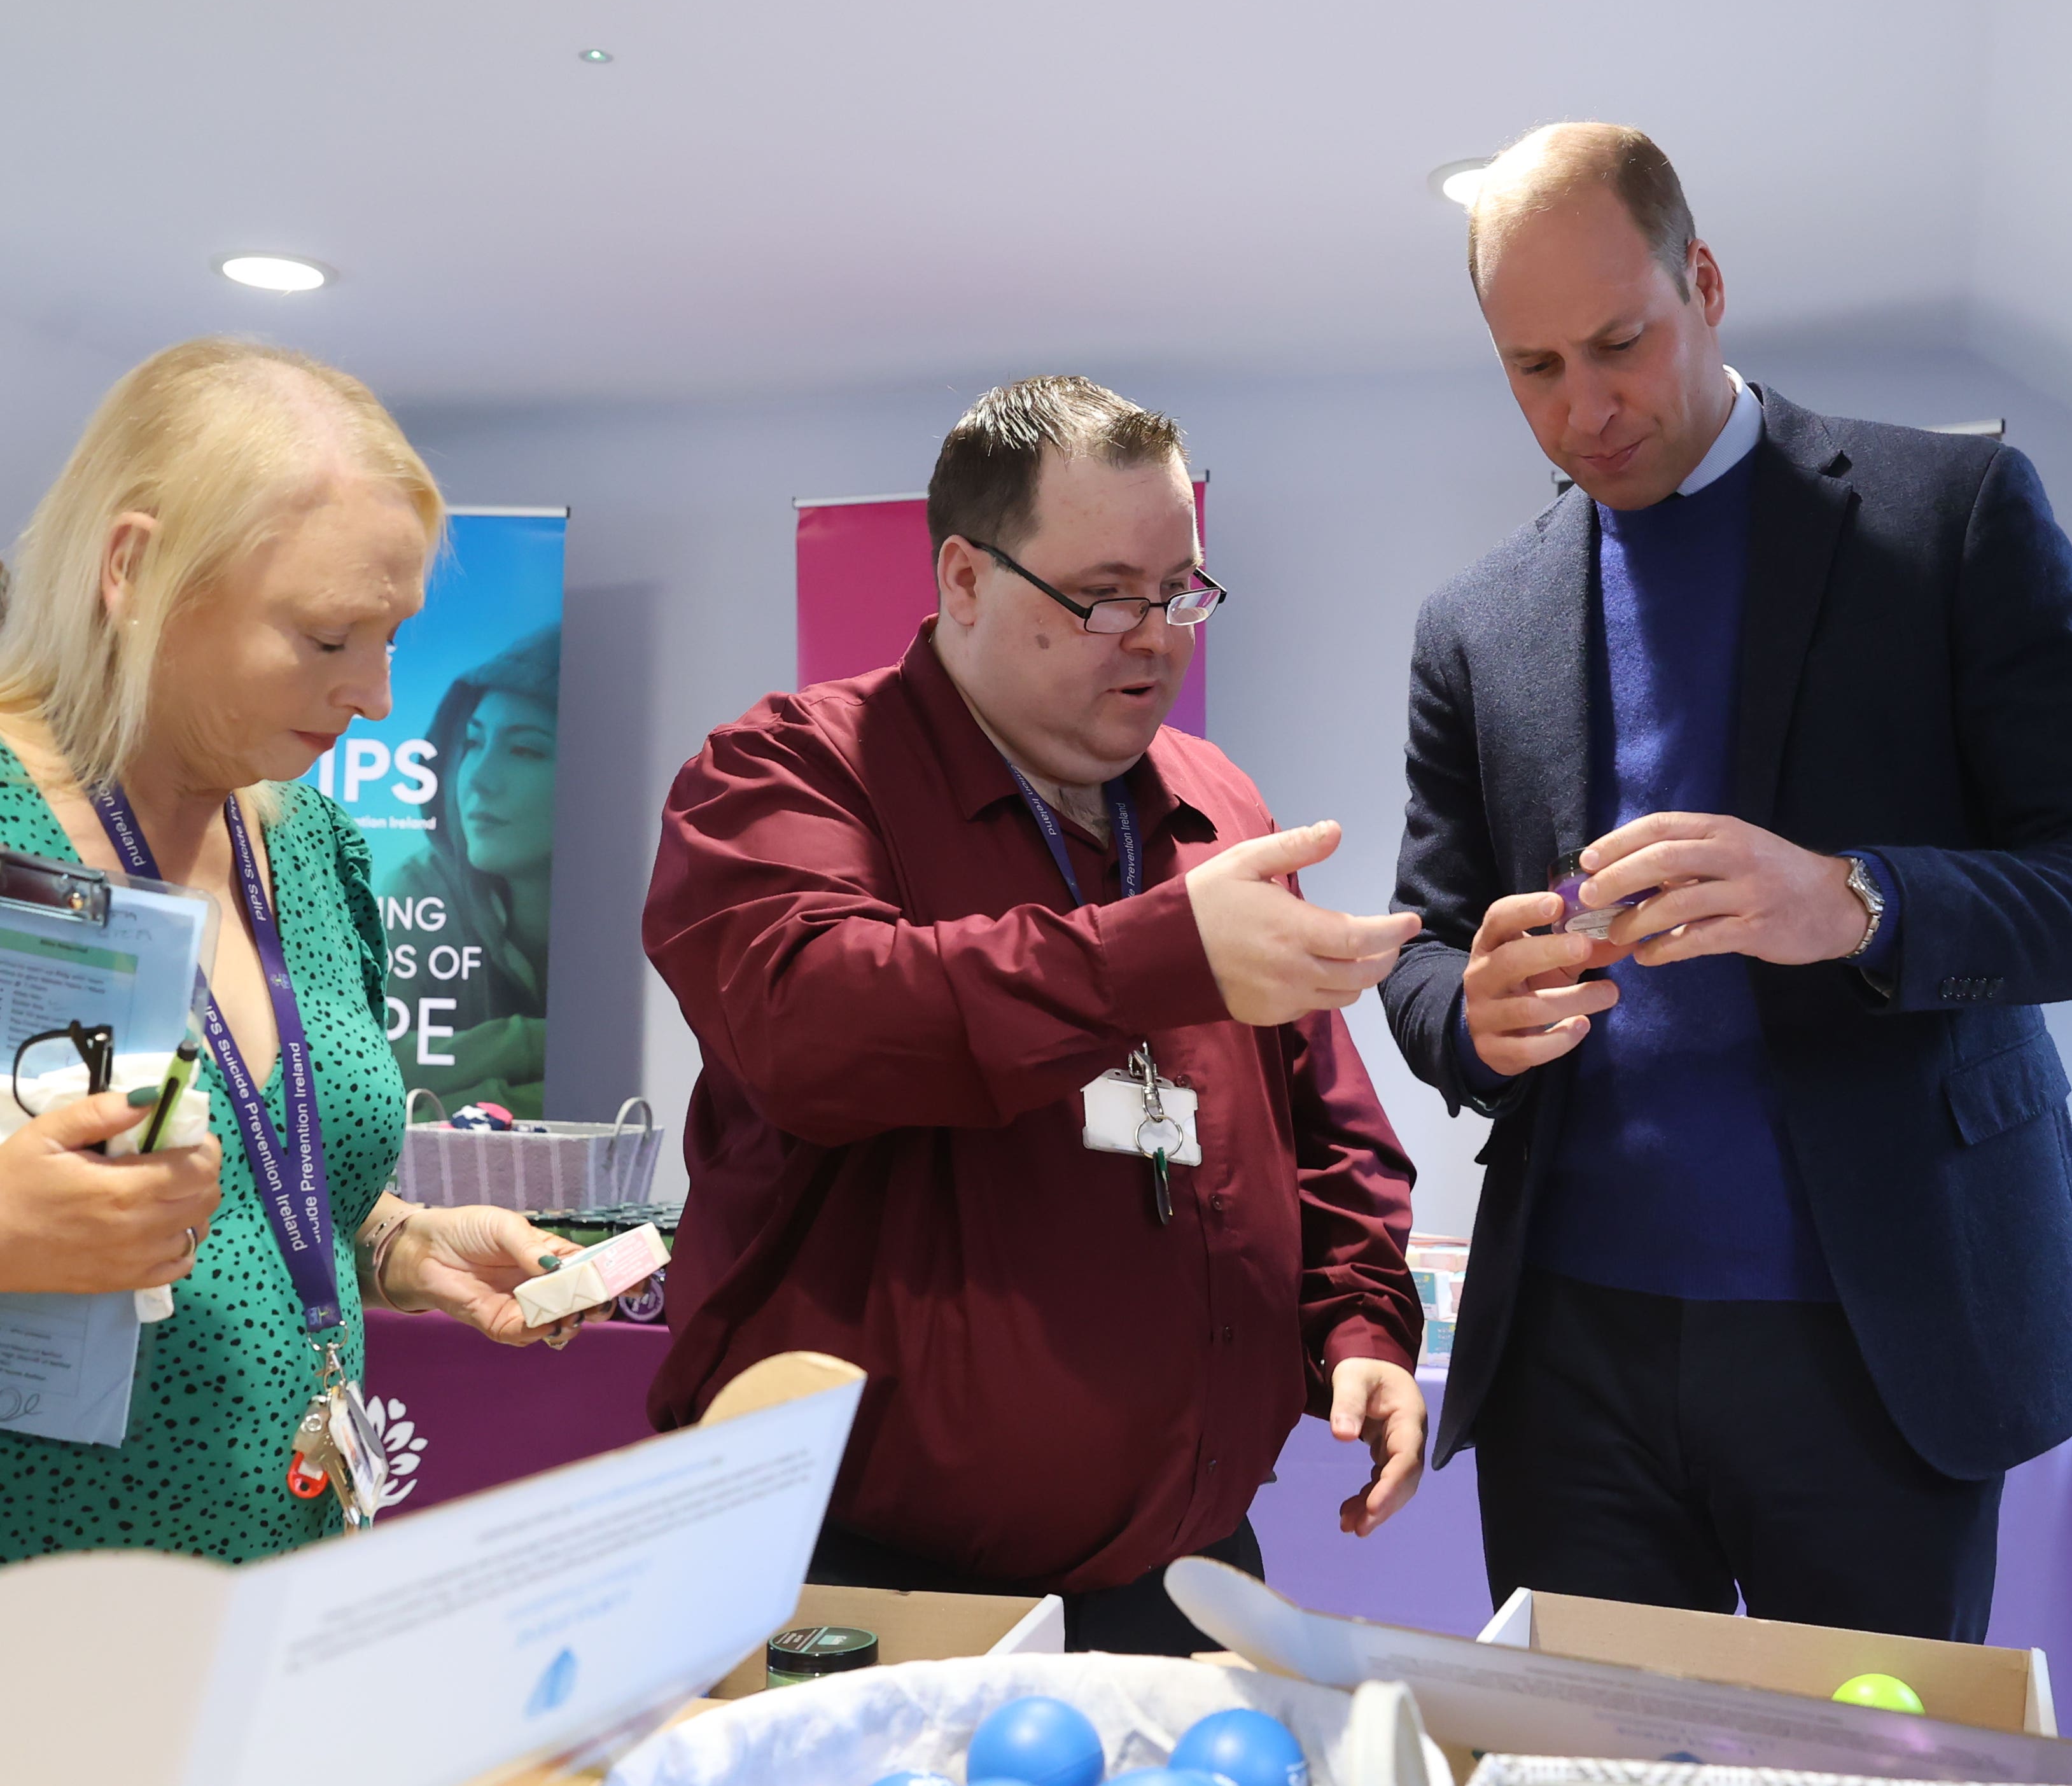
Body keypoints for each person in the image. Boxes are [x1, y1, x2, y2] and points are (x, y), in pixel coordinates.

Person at [1383, 125, 2072, 1638]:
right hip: (1568, 1347)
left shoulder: (1951, 516)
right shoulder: (1471, 622)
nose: (1584, 408)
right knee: (1585, 1761)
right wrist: (1468, 1013)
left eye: (1617, 342)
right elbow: (1425, 957)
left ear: (1704, 280)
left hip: (1880, 1334)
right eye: (1531, 367)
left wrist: (1857, 901)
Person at [644, 375, 1428, 1654]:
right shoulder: (784, 769)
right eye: (1105, 593)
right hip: (866, 1594)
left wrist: (1357, 1320)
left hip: (1184, 1580)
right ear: (963, 578)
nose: (1156, 635)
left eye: (1179, 589)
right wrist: (1153, 954)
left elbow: (1322, 1123)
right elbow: (811, 1022)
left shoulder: (1213, 803)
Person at [0, 337, 610, 1566]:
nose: (380, 694)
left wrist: (397, 1242)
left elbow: (281, 1189)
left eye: (392, 635)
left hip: (278, 1594)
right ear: (134, 568)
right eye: (329, 638)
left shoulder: (316, 850)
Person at [385, 624, 559, 1116]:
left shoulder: (638, 913)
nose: (479, 780)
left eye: (525, 749)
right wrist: (538, 1044)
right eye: (472, 743)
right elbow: (366, 1075)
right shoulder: (417, 888)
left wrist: (478, 1103)